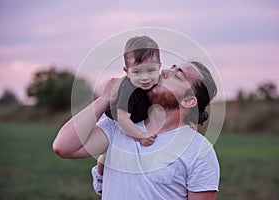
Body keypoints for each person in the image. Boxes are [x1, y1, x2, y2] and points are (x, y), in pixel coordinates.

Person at [53, 57, 220, 199]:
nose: (163, 72)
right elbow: (64, 147)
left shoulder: (199, 151)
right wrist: (105, 98)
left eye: (177, 76)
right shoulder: (118, 124)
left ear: (188, 101)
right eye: (170, 68)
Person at [92, 35, 162, 195]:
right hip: (115, 118)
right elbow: (122, 118)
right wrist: (140, 136)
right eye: (137, 72)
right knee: (107, 152)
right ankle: (99, 175)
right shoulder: (127, 89)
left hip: (136, 116)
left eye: (151, 70)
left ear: (159, 67)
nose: (145, 78)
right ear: (127, 71)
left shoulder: (158, 83)